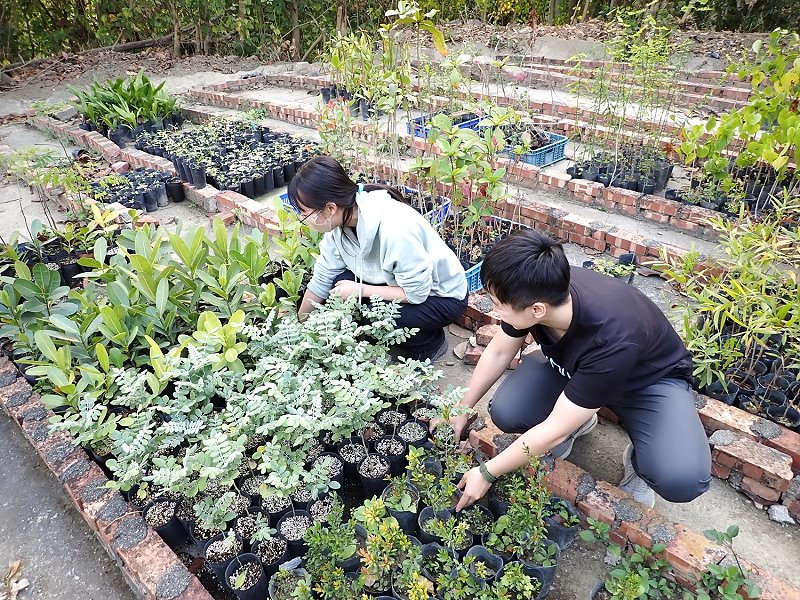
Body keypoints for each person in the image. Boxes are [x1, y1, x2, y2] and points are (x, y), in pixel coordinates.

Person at [446, 229, 711, 511]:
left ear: (537, 310)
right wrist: (461, 407)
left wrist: (487, 472)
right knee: (508, 412)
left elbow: (555, 431)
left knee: (682, 478)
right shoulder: (537, 285)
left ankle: (642, 458)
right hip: (576, 369)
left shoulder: (613, 336)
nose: (496, 311)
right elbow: (500, 351)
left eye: (499, 305)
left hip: (646, 383)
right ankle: (581, 419)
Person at [289, 156, 468, 362]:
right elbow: (321, 280)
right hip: (400, 283)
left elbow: (417, 293)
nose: (303, 219)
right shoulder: (339, 228)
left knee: (373, 310)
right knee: (336, 285)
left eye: (304, 212)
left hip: (441, 297)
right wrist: (300, 327)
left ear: (330, 208)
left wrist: (361, 291)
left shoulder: (395, 228)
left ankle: (429, 344)